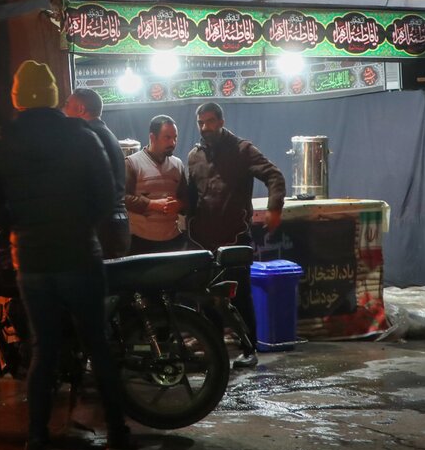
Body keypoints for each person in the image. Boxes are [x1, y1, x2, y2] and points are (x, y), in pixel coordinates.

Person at [0, 61, 134, 450]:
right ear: (52, 95)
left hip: (31, 262)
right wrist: (77, 222)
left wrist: (23, 225)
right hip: (80, 256)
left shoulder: (3, 143)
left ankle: (36, 444)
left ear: (16, 99)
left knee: (44, 351)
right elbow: (106, 196)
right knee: (97, 345)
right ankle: (118, 437)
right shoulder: (81, 135)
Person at [186, 102, 285, 369]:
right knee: (206, 298)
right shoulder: (194, 156)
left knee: (238, 297)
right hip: (202, 241)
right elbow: (189, 196)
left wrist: (275, 209)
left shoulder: (242, 150)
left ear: (220, 121)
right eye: (200, 123)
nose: (205, 128)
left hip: (235, 238)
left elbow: (274, 176)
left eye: (209, 122)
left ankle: (248, 348)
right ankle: (214, 348)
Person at [64, 87, 131, 259]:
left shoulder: (89, 136)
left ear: (80, 109)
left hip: (104, 228)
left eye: (67, 105)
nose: (64, 111)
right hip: (115, 225)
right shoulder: (106, 134)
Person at [123, 115, 187, 256]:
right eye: (167, 137)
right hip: (141, 242)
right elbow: (123, 198)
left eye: (175, 137)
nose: (173, 142)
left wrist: (180, 204)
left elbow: (186, 198)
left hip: (173, 241)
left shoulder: (178, 164)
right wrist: (152, 204)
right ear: (152, 137)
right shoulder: (132, 163)